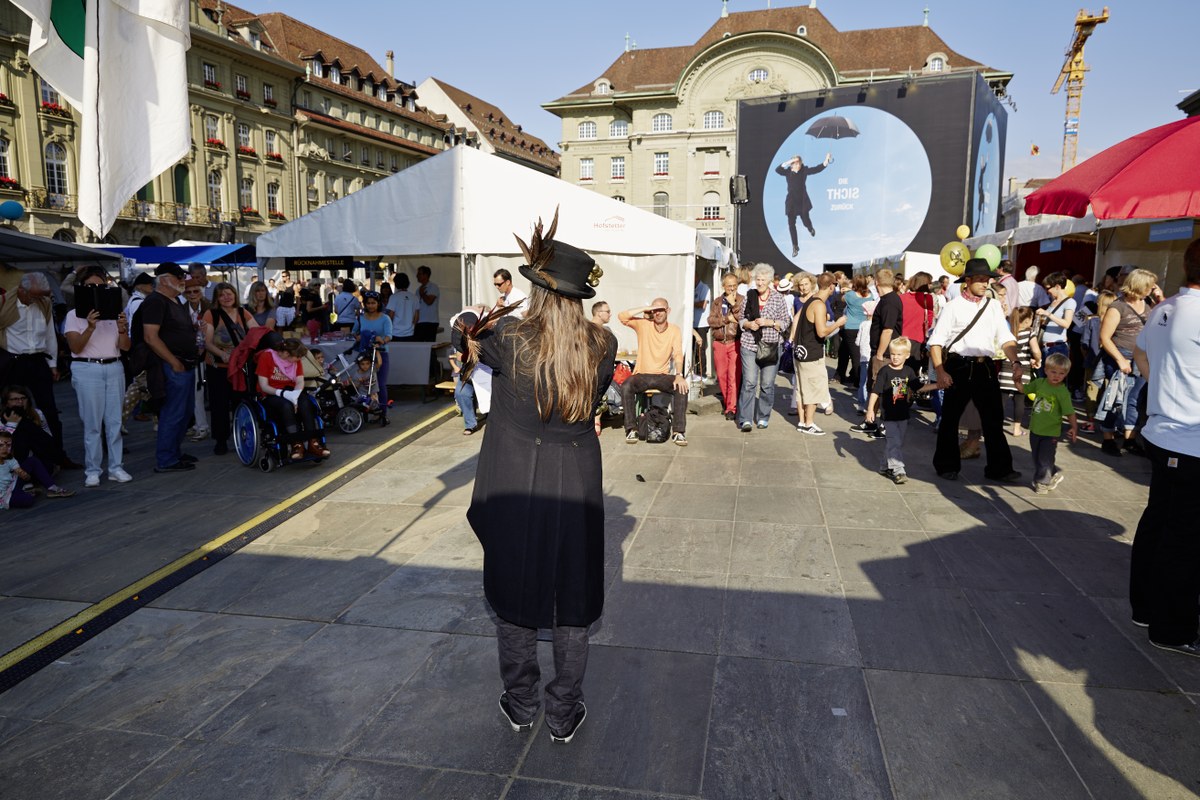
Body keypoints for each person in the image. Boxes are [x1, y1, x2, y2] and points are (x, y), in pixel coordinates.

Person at [457, 219, 616, 744]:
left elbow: (467, 331)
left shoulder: (511, 339)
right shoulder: (603, 344)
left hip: (516, 479)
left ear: (539, 290)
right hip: (574, 479)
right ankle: (562, 712)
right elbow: (588, 403)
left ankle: (522, 702)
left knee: (515, 594)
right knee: (572, 598)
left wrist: (468, 329)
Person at [1129, 238, 1200, 657]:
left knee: (1158, 523)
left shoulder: (1164, 309)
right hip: (1189, 440)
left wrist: (1166, 391)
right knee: (1184, 538)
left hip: (1163, 433)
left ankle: (1145, 608)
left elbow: (1141, 357)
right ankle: (1171, 628)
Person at [927, 258, 1023, 483]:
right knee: (950, 420)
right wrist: (941, 371)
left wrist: (1016, 362)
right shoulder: (953, 307)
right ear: (967, 281)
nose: (984, 283)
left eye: (987, 279)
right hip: (959, 366)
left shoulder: (993, 306)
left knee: (993, 421)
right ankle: (946, 466)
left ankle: (999, 469)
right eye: (980, 279)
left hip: (986, 368)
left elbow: (1005, 336)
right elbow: (936, 342)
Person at [63, 266, 132, 486]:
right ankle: (93, 469)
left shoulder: (113, 313)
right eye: (91, 286)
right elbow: (76, 346)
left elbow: (126, 347)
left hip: (114, 365)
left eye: (101, 286)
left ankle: (116, 467)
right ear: (82, 288)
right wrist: (90, 327)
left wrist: (122, 330)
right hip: (86, 368)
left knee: (114, 421)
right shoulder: (73, 315)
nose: (97, 289)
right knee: (92, 422)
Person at [0, 271, 71, 465]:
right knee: (13, 411)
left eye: (42, 296)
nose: (38, 299)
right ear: (22, 290)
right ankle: (11, 459)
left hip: (38, 361)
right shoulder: (5, 303)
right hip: (14, 363)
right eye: (35, 295)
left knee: (50, 411)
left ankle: (58, 455)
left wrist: (53, 365)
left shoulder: (43, 304)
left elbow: (50, 335)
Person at [136, 262, 200, 473]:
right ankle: (166, 459)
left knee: (184, 412)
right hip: (171, 367)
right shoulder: (155, 301)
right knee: (173, 413)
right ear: (164, 279)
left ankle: (174, 452)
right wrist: (173, 361)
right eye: (178, 276)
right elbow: (150, 337)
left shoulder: (175, 301)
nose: (183, 280)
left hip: (184, 365)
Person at [1098, 268, 1157, 457]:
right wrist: (1120, 360)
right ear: (1139, 285)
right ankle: (1108, 439)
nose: (1152, 288)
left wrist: (1158, 299)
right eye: (1149, 285)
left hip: (1141, 358)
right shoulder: (1117, 307)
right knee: (1116, 399)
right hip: (1121, 356)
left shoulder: (1146, 303)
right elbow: (1105, 338)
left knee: (1134, 399)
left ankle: (1130, 439)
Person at [618, 298, 689, 445]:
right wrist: (647, 308)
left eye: (661, 310)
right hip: (642, 375)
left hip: (662, 376)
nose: (657, 313)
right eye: (654, 310)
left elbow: (678, 354)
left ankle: (678, 432)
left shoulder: (674, 330)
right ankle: (631, 429)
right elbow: (622, 317)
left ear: (668, 311)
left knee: (682, 387)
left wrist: (679, 375)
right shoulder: (644, 325)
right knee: (626, 386)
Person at [202, 283, 259, 454]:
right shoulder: (211, 314)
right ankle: (221, 440)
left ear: (235, 295)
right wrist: (223, 354)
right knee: (219, 404)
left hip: (240, 367)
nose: (227, 297)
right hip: (219, 366)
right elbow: (207, 342)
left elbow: (256, 332)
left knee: (241, 402)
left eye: (229, 294)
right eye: (222, 295)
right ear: (217, 299)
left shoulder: (243, 312)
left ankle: (242, 436)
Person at [735, 264, 793, 432]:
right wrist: (748, 324)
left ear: (769, 281)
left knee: (767, 384)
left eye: (762, 280)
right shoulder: (749, 296)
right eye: (757, 279)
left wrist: (769, 322)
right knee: (749, 382)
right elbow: (740, 318)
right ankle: (745, 419)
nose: (759, 283)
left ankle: (763, 417)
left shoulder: (778, 298)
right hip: (749, 344)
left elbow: (786, 321)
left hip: (771, 346)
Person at [789, 271, 845, 435]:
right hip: (811, 353)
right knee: (814, 389)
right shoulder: (819, 304)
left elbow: (796, 320)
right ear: (831, 286)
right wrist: (838, 324)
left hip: (800, 351)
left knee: (801, 389)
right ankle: (808, 423)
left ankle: (802, 421)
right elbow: (822, 332)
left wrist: (793, 339)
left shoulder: (809, 300)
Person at [255, 337, 329, 461]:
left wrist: (295, 395)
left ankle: (313, 443)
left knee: (305, 402)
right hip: (271, 393)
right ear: (287, 354)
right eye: (297, 358)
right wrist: (284, 394)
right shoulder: (266, 357)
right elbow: (264, 386)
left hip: (291, 390)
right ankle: (296, 443)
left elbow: (300, 381)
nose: (299, 360)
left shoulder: (296, 359)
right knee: (286, 405)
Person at [1015, 352, 1077, 495]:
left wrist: (1074, 426)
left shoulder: (1062, 392)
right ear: (1046, 370)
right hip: (1035, 429)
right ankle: (1052, 473)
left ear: (1066, 374)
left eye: (1061, 373)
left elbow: (1069, 411)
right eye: (1053, 372)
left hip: (1051, 432)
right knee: (1037, 457)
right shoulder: (1040, 383)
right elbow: (1024, 390)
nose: (1056, 376)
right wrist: (1017, 382)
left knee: (1044, 458)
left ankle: (1042, 483)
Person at [866, 337, 922, 484]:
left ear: (907, 355)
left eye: (899, 354)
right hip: (888, 415)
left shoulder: (909, 371)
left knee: (895, 443)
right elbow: (875, 392)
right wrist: (870, 410)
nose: (895, 357)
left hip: (903, 415)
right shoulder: (885, 371)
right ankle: (898, 470)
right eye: (893, 354)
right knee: (894, 442)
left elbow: (919, 387)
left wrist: (938, 386)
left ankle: (884, 466)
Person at [856, 268, 903, 437]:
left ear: (876, 282)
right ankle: (871, 421)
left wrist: (880, 354)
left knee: (884, 391)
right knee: (875, 388)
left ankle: (885, 426)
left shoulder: (890, 301)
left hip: (886, 354)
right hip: (882, 352)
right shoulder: (886, 300)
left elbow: (888, 330)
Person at [775, 153, 832, 257]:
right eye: (794, 163)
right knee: (791, 225)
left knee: (805, 220)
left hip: (802, 202)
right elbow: (777, 170)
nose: (796, 165)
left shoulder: (804, 170)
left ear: (800, 163)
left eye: (798, 163)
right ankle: (795, 246)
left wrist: (826, 160)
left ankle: (810, 228)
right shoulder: (787, 172)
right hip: (791, 203)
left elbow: (817, 169)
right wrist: (789, 162)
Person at [0, 429, 72, 507]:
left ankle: (52, 488)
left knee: (32, 461)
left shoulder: (10, 460)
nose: (5, 448)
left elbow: (21, 472)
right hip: (4, 496)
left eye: (8, 445)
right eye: (0, 445)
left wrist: (25, 475)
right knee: (28, 500)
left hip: (12, 485)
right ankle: (27, 492)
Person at [351, 290, 392, 425]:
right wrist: (358, 337)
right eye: (368, 303)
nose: (371, 306)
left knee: (380, 384)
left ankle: (383, 413)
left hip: (380, 354)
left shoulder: (385, 318)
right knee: (364, 385)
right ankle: (365, 412)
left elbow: (389, 336)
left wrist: (382, 340)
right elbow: (354, 332)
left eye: (373, 303)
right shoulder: (361, 317)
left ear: (378, 303)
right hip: (364, 356)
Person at [997, 307, 1040, 436]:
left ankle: (997, 426)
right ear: (1027, 320)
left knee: (1002, 400)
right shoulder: (1029, 333)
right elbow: (1036, 351)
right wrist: (1037, 360)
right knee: (1019, 400)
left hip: (1006, 368)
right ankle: (1016, 429)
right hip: (1022, 370)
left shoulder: (1007, 332)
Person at [708, 273, 742, 420]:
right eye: (729, 286)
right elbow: (711, 320)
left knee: (733, 377)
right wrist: (727, 319)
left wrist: (734, 304)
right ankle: (728, 401)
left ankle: (731, 408)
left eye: (735, 285)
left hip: (735, 342)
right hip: (719, 342)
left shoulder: (741, 300)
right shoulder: (716, 302)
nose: (732, 288)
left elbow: (741, 318)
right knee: (721, 376)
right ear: (724, 286)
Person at [181, 277, 210, 443]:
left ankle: (203, 426)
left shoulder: (210, 307)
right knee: (195, 393)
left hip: (211, 355)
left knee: (208, 393)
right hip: (193, 356)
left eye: (195, 291)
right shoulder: (181, 309)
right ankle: (201, 426)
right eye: (188, 292)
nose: (192, 294)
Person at [448, 310, 479, 434]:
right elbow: (459, 356)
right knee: (461, 393)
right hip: (469, 370)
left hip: (486, 372)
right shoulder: (458, 338)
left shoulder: (485, 334)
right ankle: (470, 423)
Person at [1035, 271, 1076, 365]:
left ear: (1057, 287)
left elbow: (1066, 324)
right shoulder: (1053, 302)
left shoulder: (1070, 302)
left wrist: (1048, 314)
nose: (1047, 291)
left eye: (1048, 288)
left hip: (1056, 347)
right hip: (1044, 346)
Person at [839, 275, 870, 386]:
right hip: (865, 326)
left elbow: (842, 299)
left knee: (855, 355)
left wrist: (849, 290)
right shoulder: (870, 296)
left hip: (851, 327)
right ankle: (861, 379)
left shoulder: (850, 295)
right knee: (863, 354)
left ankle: (857, 380)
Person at [386, 273, 418, 340]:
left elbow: (391, 316)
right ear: (408, 283)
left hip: (396, 332)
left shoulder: (393, 297)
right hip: (410, 333)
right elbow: (416, 317)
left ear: (396, 284)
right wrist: (412, 326)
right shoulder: (414, 297)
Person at [693, 271, 711, 378]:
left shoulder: (705, 288)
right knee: (691, 349)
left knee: (700, 350)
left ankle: (702, 374)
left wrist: (691, 303)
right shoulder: (691, 287)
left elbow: (703, 304)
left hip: (702, 324)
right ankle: (693, 372)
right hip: (692, 323)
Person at [415, 265, 440, 341]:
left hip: (430, 321)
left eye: (419, 274)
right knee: (419, 345)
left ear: (425, 275)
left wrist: (422, 294)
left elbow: (429, 302)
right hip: (420, 321)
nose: (417, 276)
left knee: (429, 346)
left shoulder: (433, 287)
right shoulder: (418, 289)